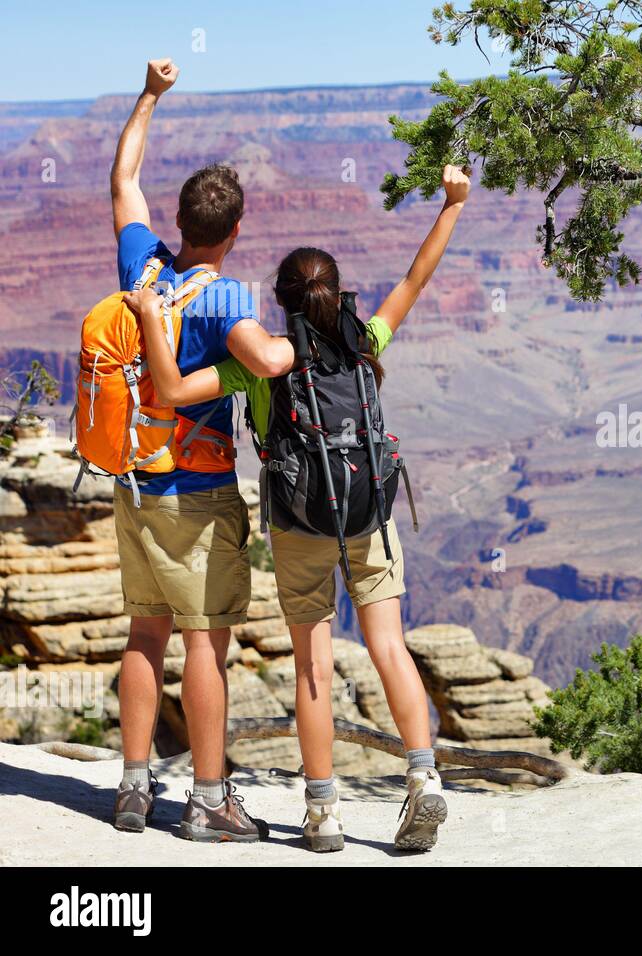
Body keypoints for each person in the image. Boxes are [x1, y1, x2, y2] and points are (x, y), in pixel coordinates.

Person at [124, 164, 472, 852]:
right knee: (389, 647)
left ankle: (323, 814)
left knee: (313, 666)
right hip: (369, 516)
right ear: (337, 295)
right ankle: (424, 779)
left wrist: (147, 318)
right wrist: (452, 205)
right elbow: (414, 280)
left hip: (300, 525)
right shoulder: (363, 341)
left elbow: (167, 389)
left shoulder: (264, 362)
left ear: (281, 301)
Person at [109, 59, 297, 842]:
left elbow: (124, 177)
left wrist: (150, 93)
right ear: (235, 232)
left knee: (143, 635)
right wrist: (304, 342)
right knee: (205, 646)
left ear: (180, 223)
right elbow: (266, 362)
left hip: (133, 484)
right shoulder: (226, 299)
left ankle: (130, 788)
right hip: (197, 495)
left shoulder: (143, 265)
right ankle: (209, 801)